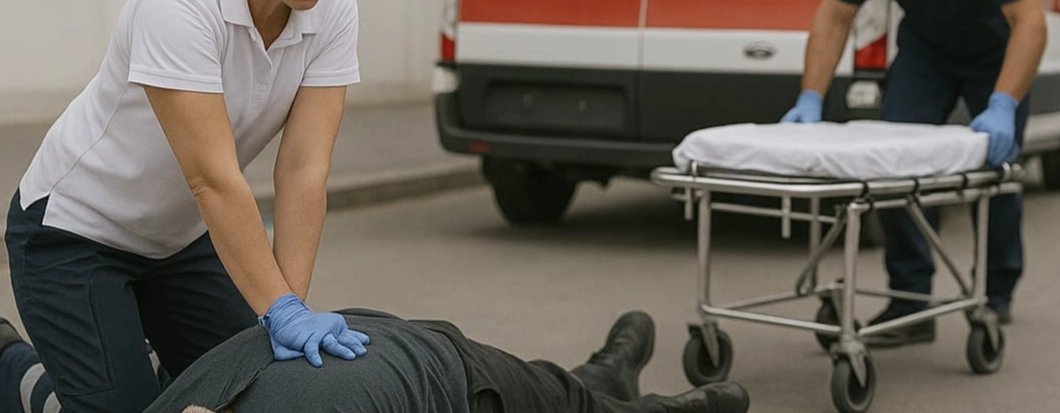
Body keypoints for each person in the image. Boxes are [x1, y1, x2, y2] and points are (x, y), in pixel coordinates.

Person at [5, 0, 375, 412]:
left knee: (256, 392)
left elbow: (304, 170)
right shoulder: (177, 1)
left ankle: (143, 367)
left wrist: (288, 311)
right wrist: (277, 310)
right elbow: (213, 179)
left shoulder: (334, 8)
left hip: (179, 241)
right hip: (75, 232)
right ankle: (12, 367)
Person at [780, 0, 1046, 346]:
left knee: (997, 174)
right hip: (927, 52)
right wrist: (810, 97)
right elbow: (835, 15)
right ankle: (911, 299)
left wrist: (1002, 103)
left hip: (995, 55)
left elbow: (1030, 24)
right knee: (894, 165)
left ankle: (995, 293)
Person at [0, 312, 750, 413]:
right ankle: (612, 373)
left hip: (448, 368)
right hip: (386, 356)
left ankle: (614, 379)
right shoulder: (173, 406)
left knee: (576, 405)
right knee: (573, 399)